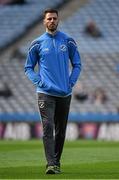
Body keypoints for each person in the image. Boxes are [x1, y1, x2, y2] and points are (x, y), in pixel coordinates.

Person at [24, 8, 81, 174]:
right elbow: (28, 68)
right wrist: (40, 82)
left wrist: (71, 82)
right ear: (44, 21)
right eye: (49, 19)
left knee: (61, 131)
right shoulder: (37, 43)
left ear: (58, 20)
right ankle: (50, 163)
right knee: (47, 126)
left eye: (54, 18)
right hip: (45, 93)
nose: (52, 21)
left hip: (65, 93)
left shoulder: (68, 41)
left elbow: (77, 64)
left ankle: (56, 162)